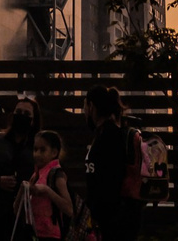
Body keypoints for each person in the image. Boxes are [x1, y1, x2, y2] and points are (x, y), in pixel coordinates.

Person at [80, 86, 143, 241]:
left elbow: (109, 182)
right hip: (120, 218)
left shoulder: (108, 137)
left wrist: (95, 217)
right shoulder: (108, 134)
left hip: (113, 223)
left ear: (91, 106)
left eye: (84, 107)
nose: (84, 112)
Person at [0, 93, 38, 239]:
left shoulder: (37, 145)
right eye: (18, 112)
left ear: (33, 120)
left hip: (27, 215)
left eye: (26, 114)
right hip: (0, 212)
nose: (21, 116)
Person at [25, 129, 77, 240]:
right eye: (35, 149)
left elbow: (69, 209)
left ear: (54, 152)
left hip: (52, 235)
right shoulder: (36, 174)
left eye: (42, 150)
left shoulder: (56, 175)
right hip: (37, 233)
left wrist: (47, 191)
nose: (37, 154)